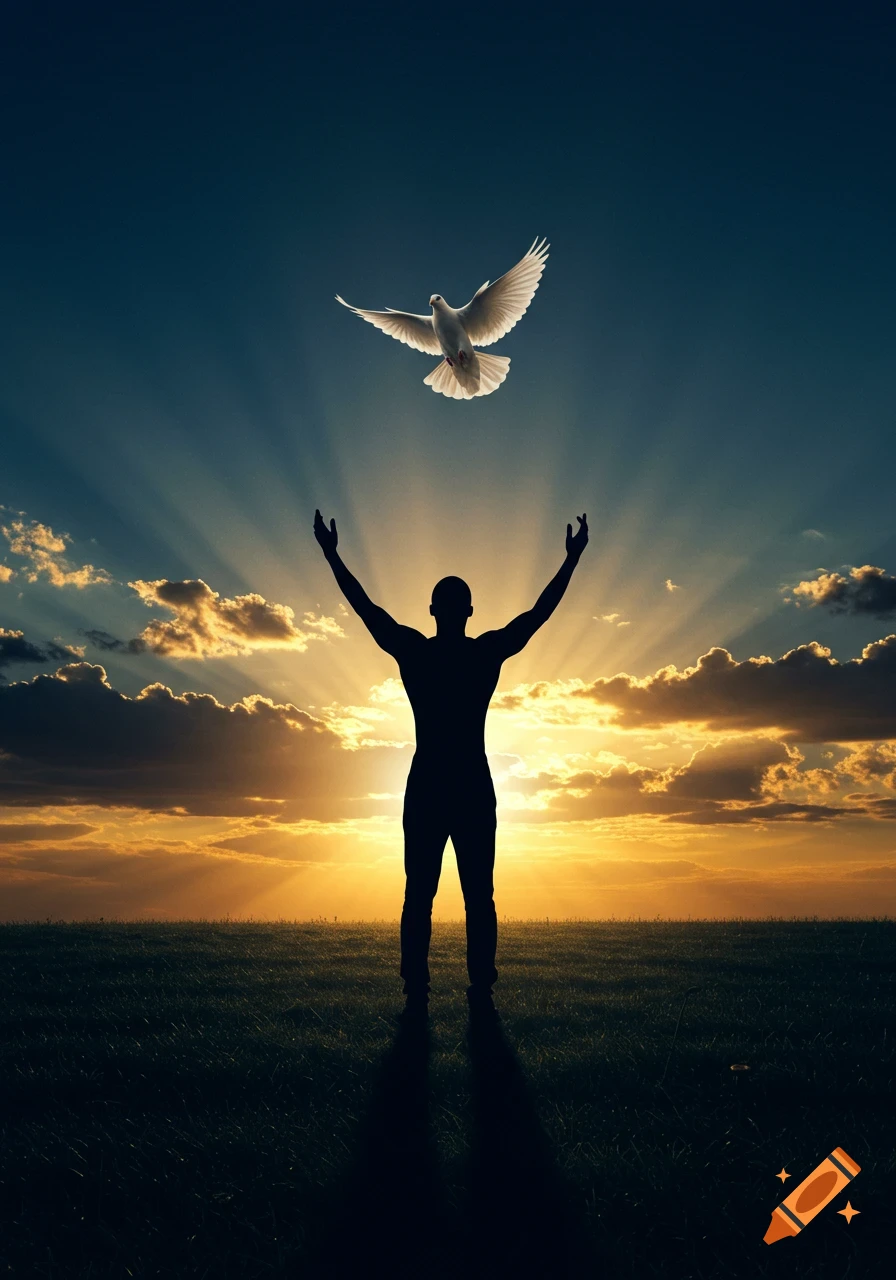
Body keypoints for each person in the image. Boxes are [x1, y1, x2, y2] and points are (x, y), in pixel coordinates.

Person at [314, 508, 588, 1013]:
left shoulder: (415, 652)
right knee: (474, 896)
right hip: (469, 786)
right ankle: (477, 988)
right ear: (468, 611)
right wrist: (570, 561)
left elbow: (365, 608)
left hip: (429, 786)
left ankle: (419, 988)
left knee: (422, 894)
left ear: (434, 609)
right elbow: (537, 615)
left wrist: (332, 553)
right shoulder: (482, 654)